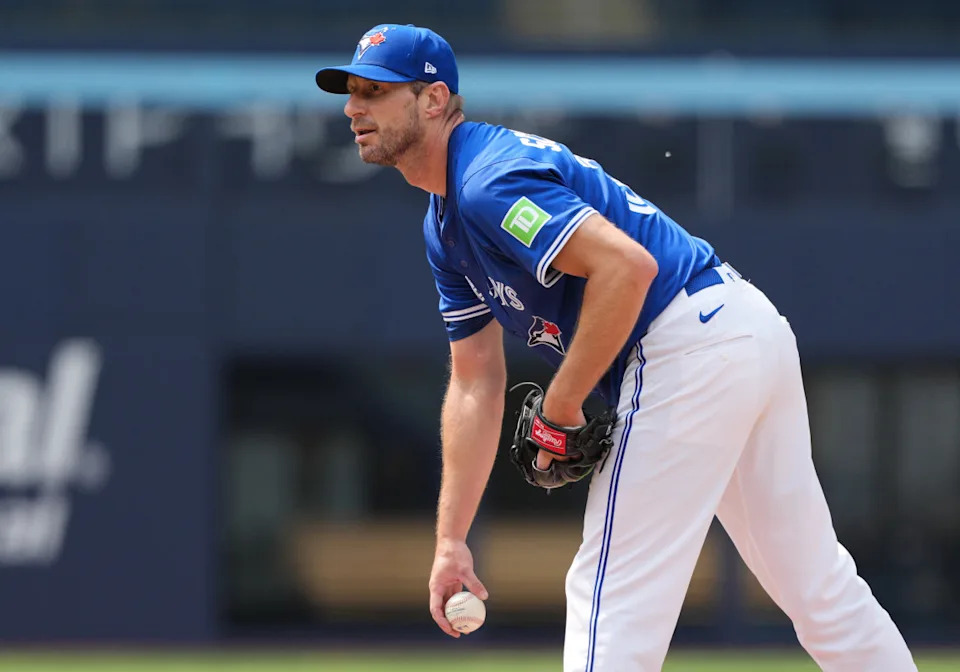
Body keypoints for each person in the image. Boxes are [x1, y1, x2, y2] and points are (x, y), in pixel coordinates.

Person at [315, 24, 917, 672]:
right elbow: (474, 380)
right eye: (351, 92)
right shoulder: (446, 224)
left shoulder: (487, 182)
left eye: (373, 92)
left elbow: (626, 269)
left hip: (687, 346)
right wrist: (451, 539)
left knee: (610, 599)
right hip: (738, 330)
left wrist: (561, 404)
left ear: (433, 100)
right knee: (817, 589)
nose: (353, 107)